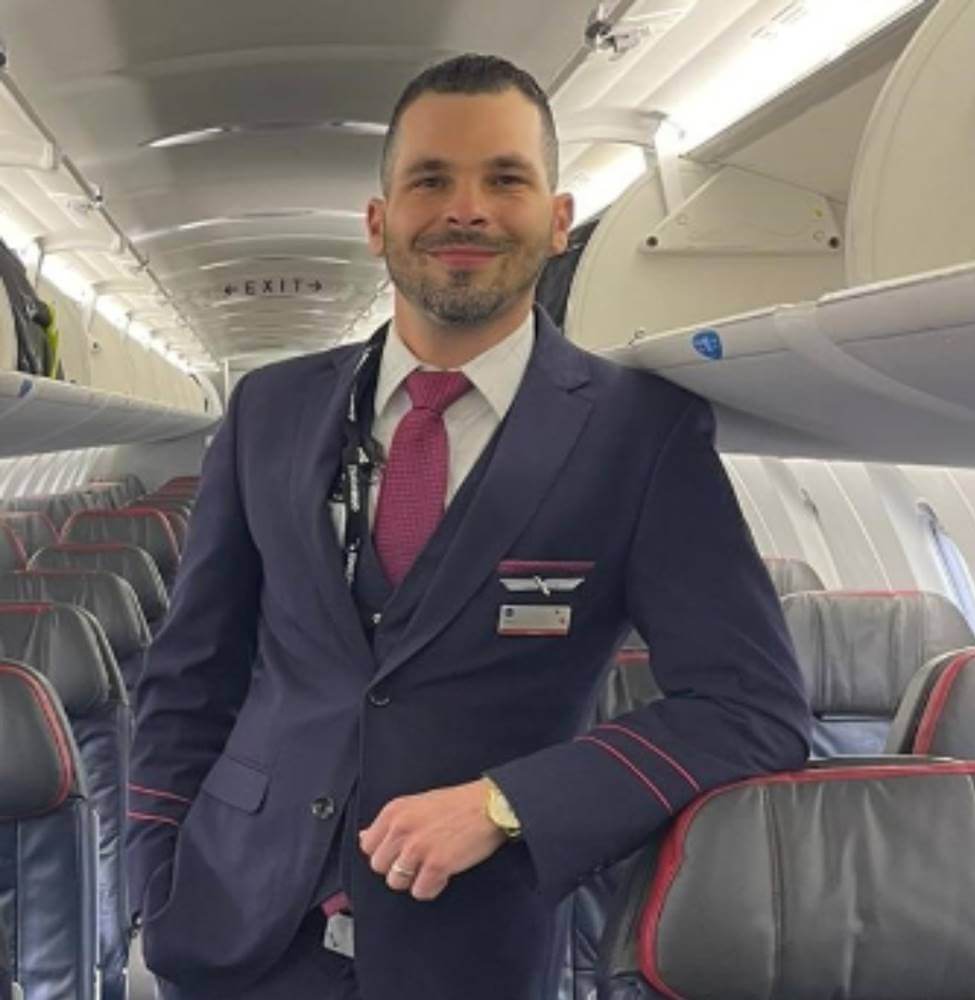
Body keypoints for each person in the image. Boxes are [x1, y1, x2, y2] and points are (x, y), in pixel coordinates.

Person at [127, 53, 810, 1000]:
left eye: (504, 178)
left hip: (471, 945)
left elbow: (751, 706)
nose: (467, 209)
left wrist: (508, 803)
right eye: (430, 180)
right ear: (379, 222)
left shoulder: (638, 435)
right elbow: (188, 673)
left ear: (559, 219)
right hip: (231, 922)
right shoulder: (270, 411)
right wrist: (151, 887)